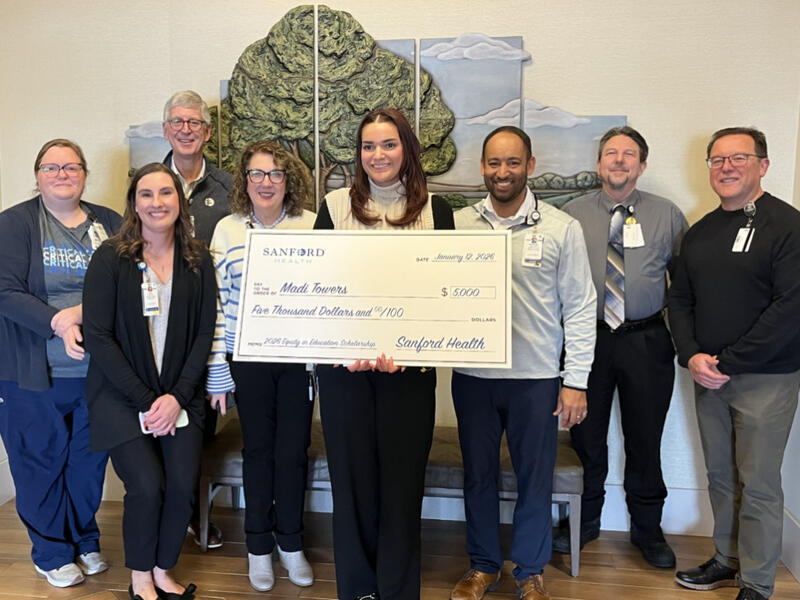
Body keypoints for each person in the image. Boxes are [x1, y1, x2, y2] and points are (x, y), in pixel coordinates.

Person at [449, 126, 596, 600]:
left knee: (535, 478)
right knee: (479, 474)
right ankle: (483, 566)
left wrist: (575, 381)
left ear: (530, 166)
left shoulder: (560, 228)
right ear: (482, 167)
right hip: (472, 377)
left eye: (512, 162)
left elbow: (579, 306)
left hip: (536, 379)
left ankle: (530, 571)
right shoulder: (458, 225)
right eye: (494, 162)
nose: (502, 172)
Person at [314, 107, 454, 600]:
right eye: (369, 146)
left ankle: (396, 590)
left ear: (407, 149)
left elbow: (444, 293)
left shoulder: (439, 211)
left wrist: (416, 345)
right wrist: (342, 344)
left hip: (409, 373)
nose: (379, 155)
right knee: (351, 485)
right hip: (343, 372)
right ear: (359, 155)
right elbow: (321, 290)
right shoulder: (332, 207)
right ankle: (356, 590)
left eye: (389, 144)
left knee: (400, 486)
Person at [669, 127, 800, 600]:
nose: (725, 167)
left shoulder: (788, 227)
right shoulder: (701, 231)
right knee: (721, 476)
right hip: (709, 378)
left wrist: (729, 359)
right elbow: (679, 300)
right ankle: (728, 559)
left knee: (759, 484)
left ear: (762, 165)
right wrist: (692, 355)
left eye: (738, 158)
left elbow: (790, 307)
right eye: (717, 160)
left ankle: (758, 582)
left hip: (766, 379)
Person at [83, 163, 217, 600]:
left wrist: (176, 397)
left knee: (181, 485)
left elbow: (203, 334)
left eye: (165, 193)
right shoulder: (110, 258)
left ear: (180, 200)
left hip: (180, 397)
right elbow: (99, 336)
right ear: (134, 203)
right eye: (146, 195)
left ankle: (162, 568)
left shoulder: (198, 260)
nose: (156, 203)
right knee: (146, 484)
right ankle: (140, 576)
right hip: (122, 398)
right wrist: (147, 399)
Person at [557, 126, 687, 567]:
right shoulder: (571, 214)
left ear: (642, 165)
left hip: (646, 340)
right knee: (585, 437)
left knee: (644, 439)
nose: (618, 161)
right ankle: (585, 522)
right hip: (586, 340)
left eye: (628, 154)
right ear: (598, 164)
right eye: (610, 153)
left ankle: (648, 532)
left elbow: (685, 286)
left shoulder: (666, 215)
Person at [0, 139, 121, 588]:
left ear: (85, 174)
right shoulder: (14, 225)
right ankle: (51, 551)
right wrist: (56, 320)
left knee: (87, 464)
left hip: (98, 373)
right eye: (51, 167)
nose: (62, 174)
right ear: (37, 176)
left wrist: (80, 313)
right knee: (38, 463)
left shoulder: (108, 222)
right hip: (31, 374)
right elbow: (4, 290)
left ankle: (85, 540)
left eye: (71, 166)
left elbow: (128, 282)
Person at [206, 141, 316, 591]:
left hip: (298, 362)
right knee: (258, 452)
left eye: (275, 174)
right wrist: (218, 370)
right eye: (256, 174)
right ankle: (258, 547)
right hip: (246, 360)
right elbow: (215, 307)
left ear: (289, 180)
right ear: (244, 181)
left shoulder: (312, 227)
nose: (265, 182)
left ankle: (290, 543)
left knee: (292, 453)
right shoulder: (226, 231)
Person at [162, 89, 231, 549]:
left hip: (211, 329)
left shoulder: (228, 188)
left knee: (199, 426)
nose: (186, 130)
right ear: (166, 129)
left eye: (195, 123)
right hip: (158, 328)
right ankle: (165, 517)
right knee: (160, 422)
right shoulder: (146, 182)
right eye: (177, 122)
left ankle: (190, 516)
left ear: (207, 132)